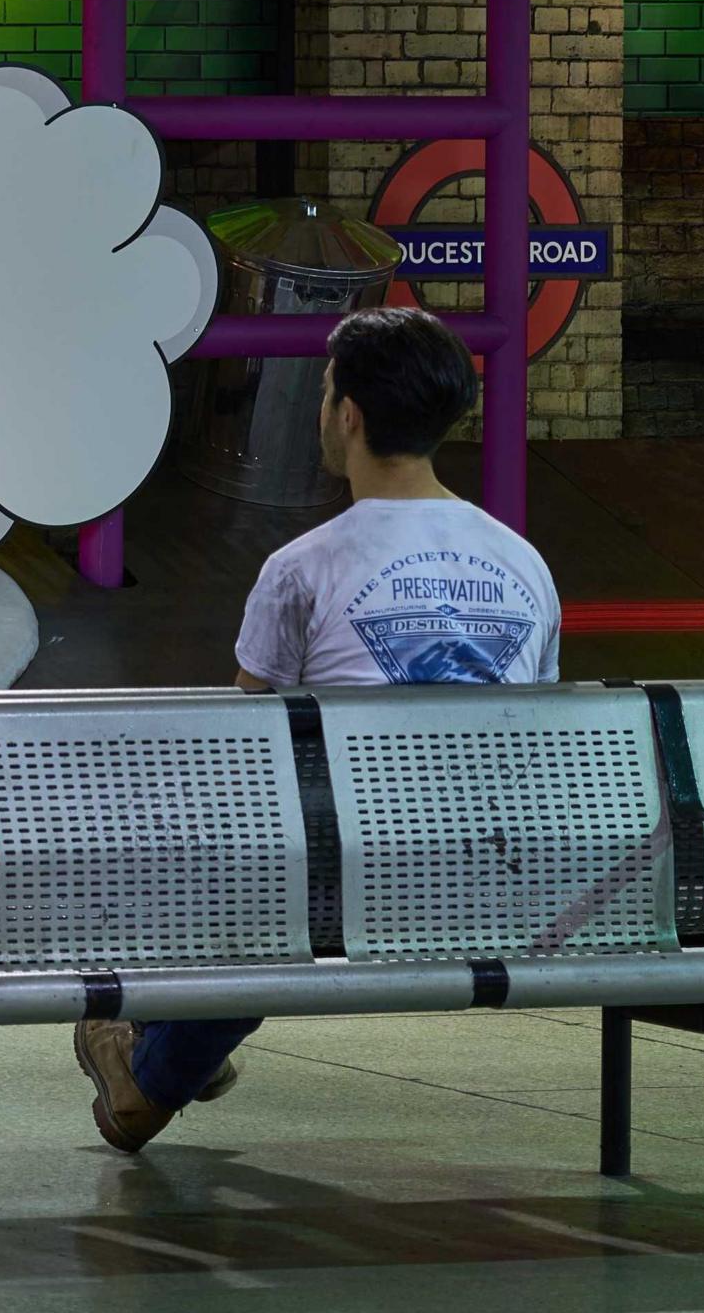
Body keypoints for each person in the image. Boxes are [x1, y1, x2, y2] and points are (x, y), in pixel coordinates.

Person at [72, 304, 559, 1154]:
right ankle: (167, 1043)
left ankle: (149, 1074)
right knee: (287, 873)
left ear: (350, 416)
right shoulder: (524, 563)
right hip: (500, 882)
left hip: (350, 889)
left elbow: (247, 749)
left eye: (328, 391)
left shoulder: (304, 566)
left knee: (250, 856)